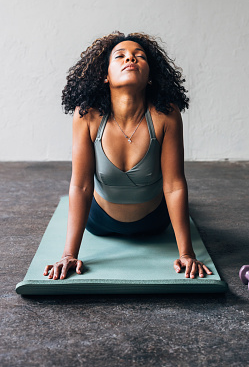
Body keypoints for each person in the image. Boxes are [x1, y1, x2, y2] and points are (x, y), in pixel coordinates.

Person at [43, 31, 212, 281]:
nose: (130, 59)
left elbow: (174, 184)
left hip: (155, 223)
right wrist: (69, 255)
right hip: (99, 222)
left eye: (139, 56)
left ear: (150, 76)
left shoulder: (166, 115)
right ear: (105, 75)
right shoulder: (87, 115)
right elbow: (81, 185)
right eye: (120, 56)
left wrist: (186, 254)